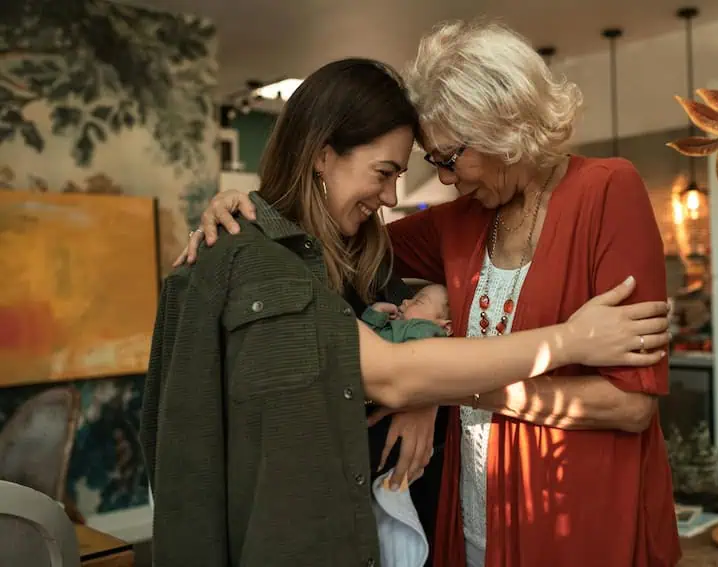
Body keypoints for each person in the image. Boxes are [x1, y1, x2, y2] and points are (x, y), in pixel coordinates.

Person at [177, 20, 679, 567]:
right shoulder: (459, 222)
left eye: (446, 157)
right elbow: (330, 236)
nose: (439, 178)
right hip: (472, 507)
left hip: (574, 511)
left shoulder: (609, 192)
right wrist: (244, 211)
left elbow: (631, 406)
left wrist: (444, 388)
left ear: (500, 126)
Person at [364, 284, 452, 343]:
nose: (405, 300)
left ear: (445, 328)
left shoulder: (427, 332)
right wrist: (375, 315)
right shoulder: (397, 327)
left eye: (418, 301)